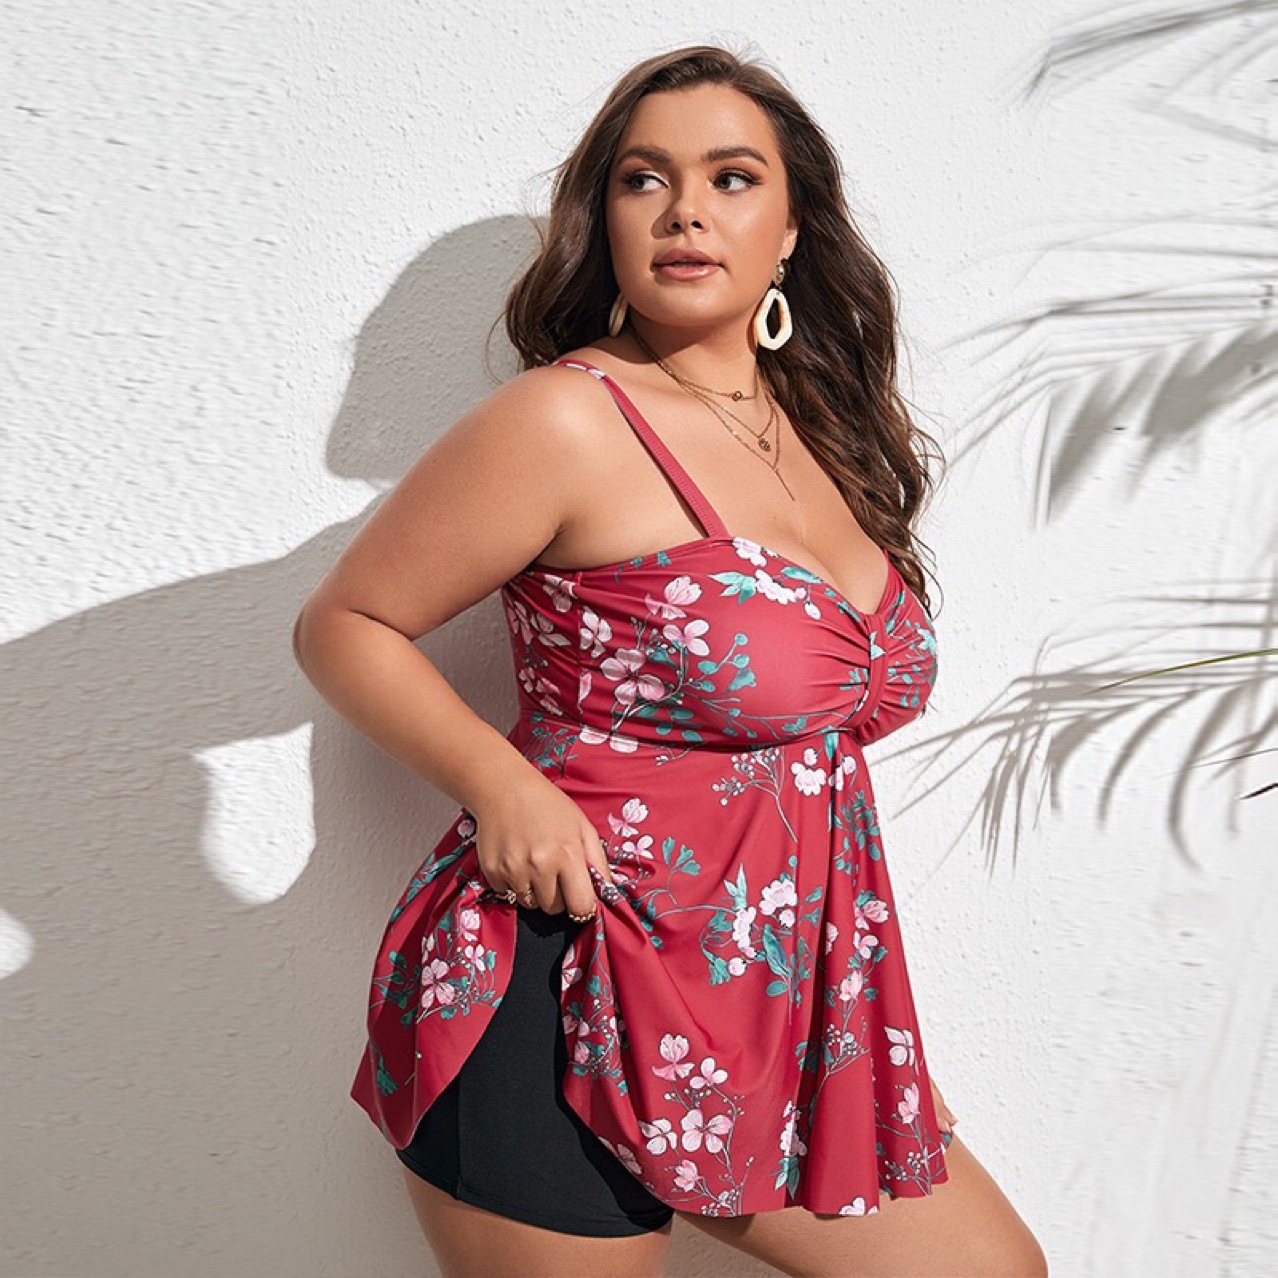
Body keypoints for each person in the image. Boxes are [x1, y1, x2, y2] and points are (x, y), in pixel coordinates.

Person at [293, 42, 1048, 1278]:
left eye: (732, 178)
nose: (685, 210)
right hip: (558, 974)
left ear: (792, 228)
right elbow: (346, 623)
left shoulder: (825, 434)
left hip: (773, 1011)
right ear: (606, 220)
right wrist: (504, 786)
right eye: (644, 179)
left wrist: (859, 1041)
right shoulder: (566, 419)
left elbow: (807, 784)